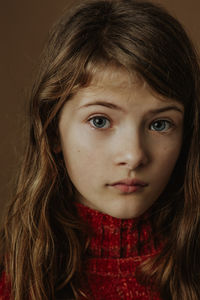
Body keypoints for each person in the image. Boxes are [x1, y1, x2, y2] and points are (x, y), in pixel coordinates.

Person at [0, 0, 200, 299]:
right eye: (100, 120)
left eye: (160, 125)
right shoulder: (12, 275)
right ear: (53, 129)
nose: (133, 156)